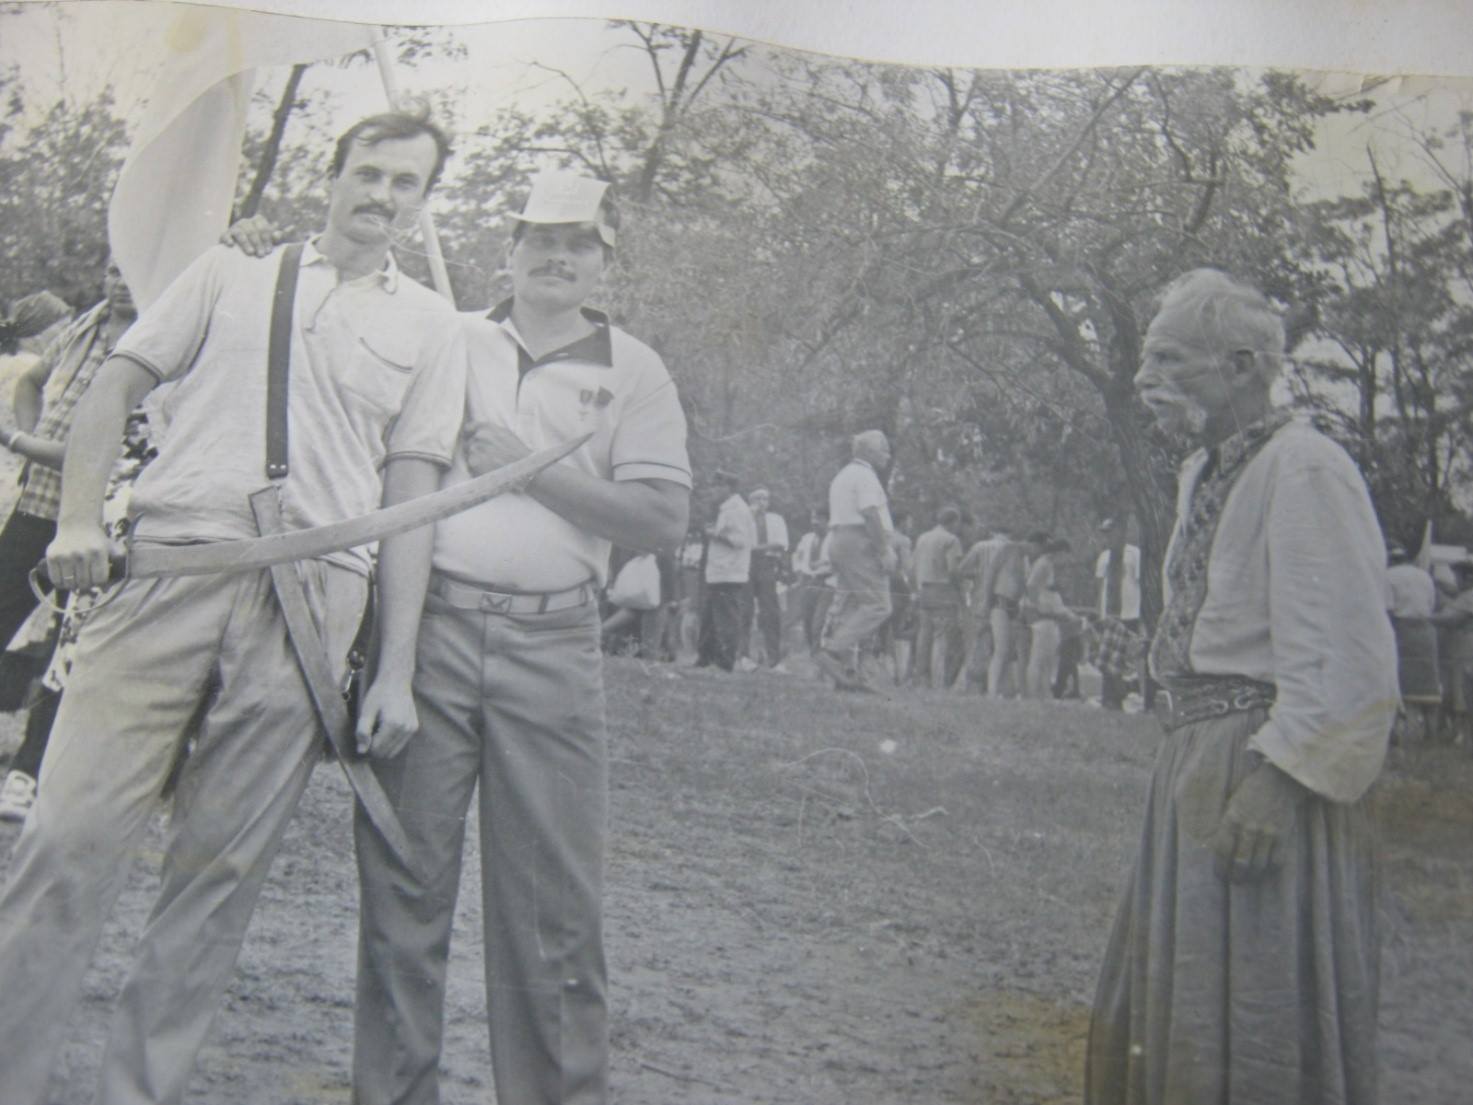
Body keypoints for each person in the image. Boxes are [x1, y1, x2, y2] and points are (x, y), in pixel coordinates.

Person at [0, 111, 465, 1105]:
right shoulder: (229, 273)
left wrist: (393, 667)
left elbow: (412, 499)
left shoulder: (432, 327)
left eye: (407, 184)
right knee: (63, 842)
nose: (382, 196)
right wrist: (78, 517)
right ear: (330, 175)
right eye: (368, 172)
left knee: (217, 876)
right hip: (168, 572)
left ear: (424, 201)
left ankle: (140, 1090)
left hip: (310, 612)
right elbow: (116, 382)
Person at [349, 171, 691, 1105]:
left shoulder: (635, 367)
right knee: (403, 892)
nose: (555, 253)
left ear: (604, 261)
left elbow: (661, 518)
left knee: (553, 912)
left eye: (577, 240)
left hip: (554, 646)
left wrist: (527, 470)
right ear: (507, 250)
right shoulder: (448, 338)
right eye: (537, 235)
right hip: (433, 630)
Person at [1086, 269, 1397, 1105]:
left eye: (1167, 361)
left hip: (1259, 773)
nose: (1144, 382)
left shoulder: (1305, 468)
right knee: (1184, 1008)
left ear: (1239, 365)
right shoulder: (1205, 472)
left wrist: (1280, 780)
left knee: (1256, 1004)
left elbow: (1346, 653)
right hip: (1193, 766)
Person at [0, 265, 135, 821]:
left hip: (101, 520)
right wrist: (30, 436)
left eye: (132, 272)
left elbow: (108, 450)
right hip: (38, 506)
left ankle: (26, 773)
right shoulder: (84, 323)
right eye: (111, 269)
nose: (120, 281)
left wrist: (17, 441)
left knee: (69, 644)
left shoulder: (160, 335)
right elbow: (31, 381)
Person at [815, 430, 895, 691]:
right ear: (869, 452)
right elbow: (870, 513)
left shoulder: (843, 475)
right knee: (878, 605)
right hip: (859, 541)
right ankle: (833, 651)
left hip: (840, 539)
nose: (888, 455)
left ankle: (846, 674)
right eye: (884, 449)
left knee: (850, 605)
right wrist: (884, 550)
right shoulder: (865, 476)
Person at [696, 469, 755, 671]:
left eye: (716, 486)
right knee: (710, 618)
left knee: (727, 619)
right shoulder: (727, 508)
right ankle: (705, 658)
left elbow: (740, 541)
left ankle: (725, 661)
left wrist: (714, 535)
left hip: (730, 572)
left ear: (728, 488)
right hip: (719, 571)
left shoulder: (737, 509)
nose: (713, 490)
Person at [978, 529, 1043, 698]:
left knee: (1011, 651)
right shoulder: (1008, 549)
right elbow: (990, 574)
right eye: (1038, 549)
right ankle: (991, 691)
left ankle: (1007, 689)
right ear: (1033, 544)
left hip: (1014, 607)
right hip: (999, 602)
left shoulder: (1025, 560)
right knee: (1001, 648)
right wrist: (986, 600)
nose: (1037, 553)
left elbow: (1024, 586)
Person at [1385, 541, 1441, 737]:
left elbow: (1389, 610)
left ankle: (1408, 733)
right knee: (1429, 682)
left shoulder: (1388, 576)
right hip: (1426, 629)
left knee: (1405, 682)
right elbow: (1432, 605)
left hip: (1403, 630)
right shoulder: (1424, 576)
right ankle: (1432, 733)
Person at [911, 505, 965, 689]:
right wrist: (960, 590)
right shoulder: (951, 540)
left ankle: (921, 680)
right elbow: (953, 570)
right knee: (941, 637)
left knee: (923, 635)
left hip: (924, 588)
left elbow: (913, 567)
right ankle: (938, 682)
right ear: (954, 521)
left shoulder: (922, 538)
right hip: (943, 590)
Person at [1092, 516, 1143, 710]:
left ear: (1120, 532)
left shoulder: (1134, 554)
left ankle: (1124, 695)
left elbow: (1140, 582)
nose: (1108, 537)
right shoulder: (1104, 556)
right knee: (1107, 656)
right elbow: (1099, 586)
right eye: (1105, 533)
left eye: (1111, 532)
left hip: (1129, 611)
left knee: (1124, 658)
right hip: (1110, 612)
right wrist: (1099, 613)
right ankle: (1109, 698)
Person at [954, 524, 1007, 693]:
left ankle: (968, 686)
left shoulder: (980, 546)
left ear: (993, 532)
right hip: (1003, 602)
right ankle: (993, 687)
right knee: (999, 647)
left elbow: (961, 570)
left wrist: (977, 575)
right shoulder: (1012, 550)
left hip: (980, 600)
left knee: (977, 644)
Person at [746, 486, 789, 667]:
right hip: (747, 565)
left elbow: (781, 544)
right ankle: (744, 655)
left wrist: (757, 548)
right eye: (758, 499)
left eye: (765, 499)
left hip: (767, 565)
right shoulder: (745, 519)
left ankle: (774, 656)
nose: (762, 503)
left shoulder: (776, 519)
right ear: (750, 502)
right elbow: (742, 544)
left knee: (770, 611)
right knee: (745, 609)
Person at [786, 508, 831, 654]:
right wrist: (799, 574)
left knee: (819, 623)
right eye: (813, 518)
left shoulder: (834, 539)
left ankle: (822, 657)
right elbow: (796, 557)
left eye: (819, 519)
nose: (815, 522)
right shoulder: (807, 538)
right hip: (807, 582)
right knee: (807, 620)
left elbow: (838, 563)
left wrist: (823, 565)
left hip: (827, 583)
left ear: (827, 520)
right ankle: (815, 656)